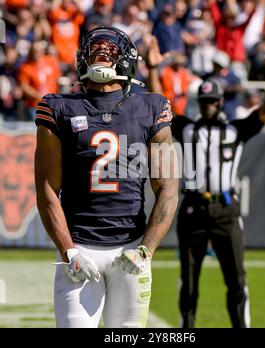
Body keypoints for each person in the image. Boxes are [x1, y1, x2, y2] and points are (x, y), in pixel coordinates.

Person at [34, 26, 178, 328]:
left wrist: (146, 249)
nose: (101, 55)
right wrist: (68, 249)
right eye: (94, 50)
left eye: (109, 51)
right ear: (81, 60)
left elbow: (168, 188)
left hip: (131, 247)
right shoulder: (58, 108)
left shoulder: (150, 107)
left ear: (126, 60)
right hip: (80, 248)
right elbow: (47, 188)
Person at [150, 44, 265, 328]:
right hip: (193, 207)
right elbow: (159, 104)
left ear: (220, 102)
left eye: (212, 100)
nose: (208, 105)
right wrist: (151, 70)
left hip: (225, 209)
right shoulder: (187, 128)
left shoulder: (234, 130)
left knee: (236, 278)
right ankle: (187, 327)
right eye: (204, 100)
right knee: (189, 279)